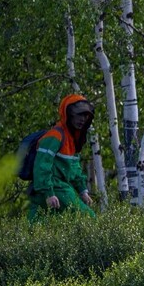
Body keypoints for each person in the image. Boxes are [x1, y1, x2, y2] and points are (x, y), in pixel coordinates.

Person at [29, 94, 96, 223]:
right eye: (79, 115)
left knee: (37, 228)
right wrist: (49, 193)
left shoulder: (72, 139)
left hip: (52, 189)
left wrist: (83, 191)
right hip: (54, 188)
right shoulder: (55, 135)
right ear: (69, 114)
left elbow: (74, 169)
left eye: (85, 116)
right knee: (89, 219)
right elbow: (42, 166)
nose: (82, 119)